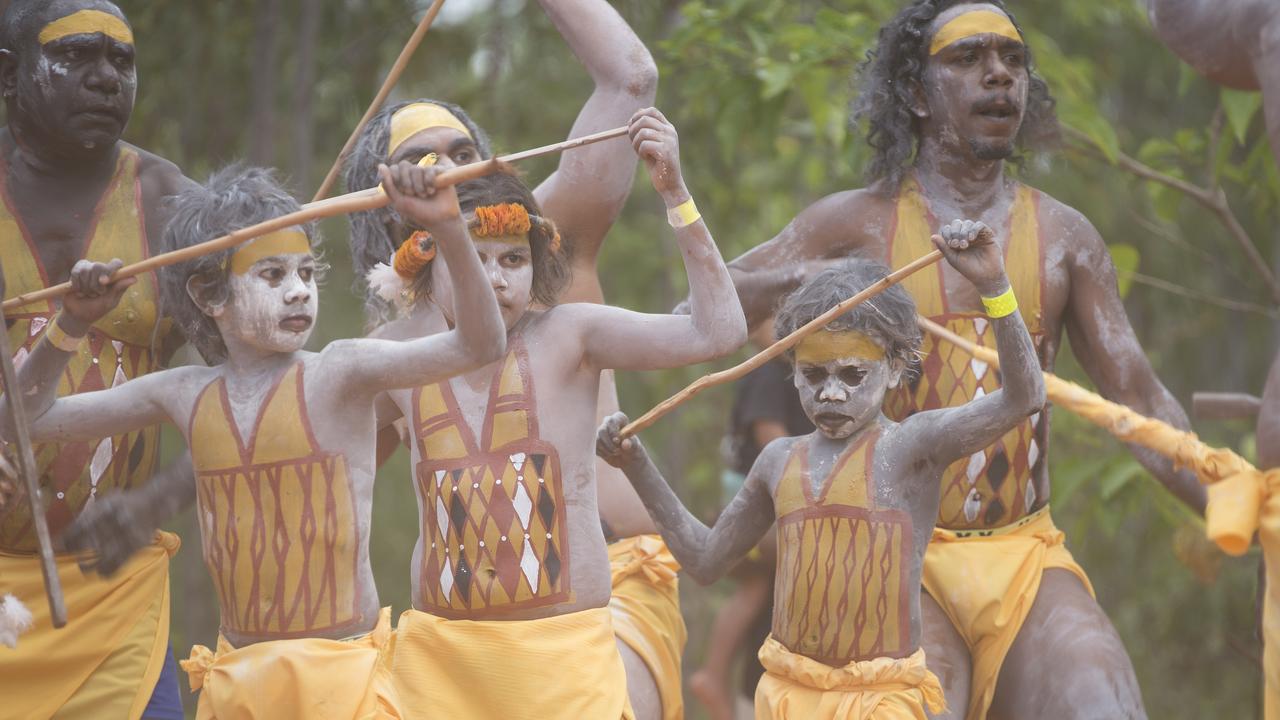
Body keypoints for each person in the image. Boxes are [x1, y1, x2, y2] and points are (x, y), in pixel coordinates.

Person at [721, 2, 1203, 716]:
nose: (999, 75)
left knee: (1099, 696)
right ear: (916, 94)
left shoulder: (1066, 238)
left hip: (1023, 555)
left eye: (1012, 61)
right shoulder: (856, 224)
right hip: (892, 556)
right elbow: (714, 305)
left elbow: (1139, 399)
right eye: (970, 58)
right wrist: (803, 287)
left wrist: (1238, 501)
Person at [7, 161, 507, 720]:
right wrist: (70, 325)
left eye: (306, 274)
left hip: (341, 682)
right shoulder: (183, 392)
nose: (298, 293)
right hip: (235, 687)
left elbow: (481, 346)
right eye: (272, 275)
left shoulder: (341, 371)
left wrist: (449, 229)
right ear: (208, 295)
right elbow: (28, 419)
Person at [369, 109, 744, 719]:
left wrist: (675, 192)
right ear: (423, 256)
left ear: (536, 263)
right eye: (474, 255)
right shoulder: (392, 354)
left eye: (512, 260)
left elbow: (718, 331)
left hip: (566, 661)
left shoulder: (573, 334)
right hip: (438, 668)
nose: (494, 280)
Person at [598, 220, 1046, 719]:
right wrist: (636, 465)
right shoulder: (778, 461)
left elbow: (1024, 397)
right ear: (791, 369)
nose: (831, 393)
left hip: (882, 697)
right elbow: (704, 561)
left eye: (854, 375)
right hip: (786, 693)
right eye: (814, 375)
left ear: (896, 367)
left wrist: (994, 287)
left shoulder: (913, 446)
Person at [0, 1, 195, 717]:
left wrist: (154, 501)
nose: (106, 78)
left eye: (121, 60)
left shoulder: (172, 209)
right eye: (77, 56)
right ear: (11, 75)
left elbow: (259, 396)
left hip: (117, 604)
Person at [691, 317, 813, 720]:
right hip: (753, 502)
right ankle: (712, 673)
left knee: (761, 590)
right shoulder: (768, 371)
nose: (786, 326)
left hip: (752, 497)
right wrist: (815, 477)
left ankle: (719, 674)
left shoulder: (780, 371)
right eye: (775, 318)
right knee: (755, 588)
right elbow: (771, 437)